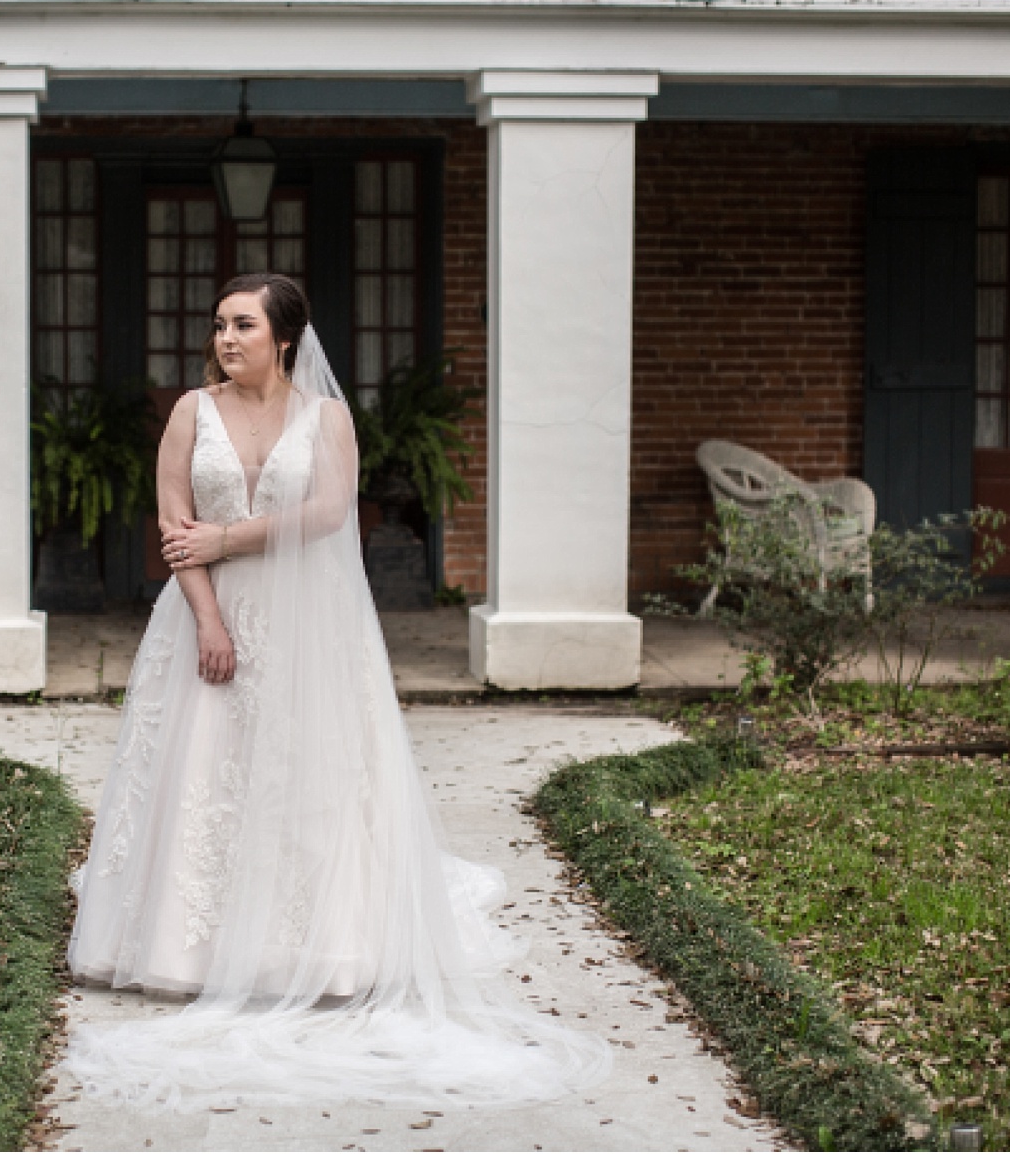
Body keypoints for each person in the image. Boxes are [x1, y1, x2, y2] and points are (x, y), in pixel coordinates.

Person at [63, 272, 612, 1110]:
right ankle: (186, 948)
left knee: (307, 779)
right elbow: (176, 534)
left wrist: (228, 534)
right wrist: (209, 621)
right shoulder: (189, 413)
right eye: (218, 326)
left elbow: (327, 514)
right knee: (203, 775)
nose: (225, 339)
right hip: (206, 613)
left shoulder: (326, 418)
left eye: (242, 325)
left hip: (307, 626)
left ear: (284, 338)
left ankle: (316, 949)